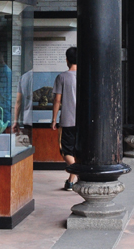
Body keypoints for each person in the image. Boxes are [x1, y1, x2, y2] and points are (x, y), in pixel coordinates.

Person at [52, 46, 78, 191]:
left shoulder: (62, 77)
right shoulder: (85, 76)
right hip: (82, 122)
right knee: (77, 151)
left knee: (66, 151)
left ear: (67, 60)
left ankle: (79, 173)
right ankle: (70, 182)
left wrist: (54, 119)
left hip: (67, 120)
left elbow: (57, 100)